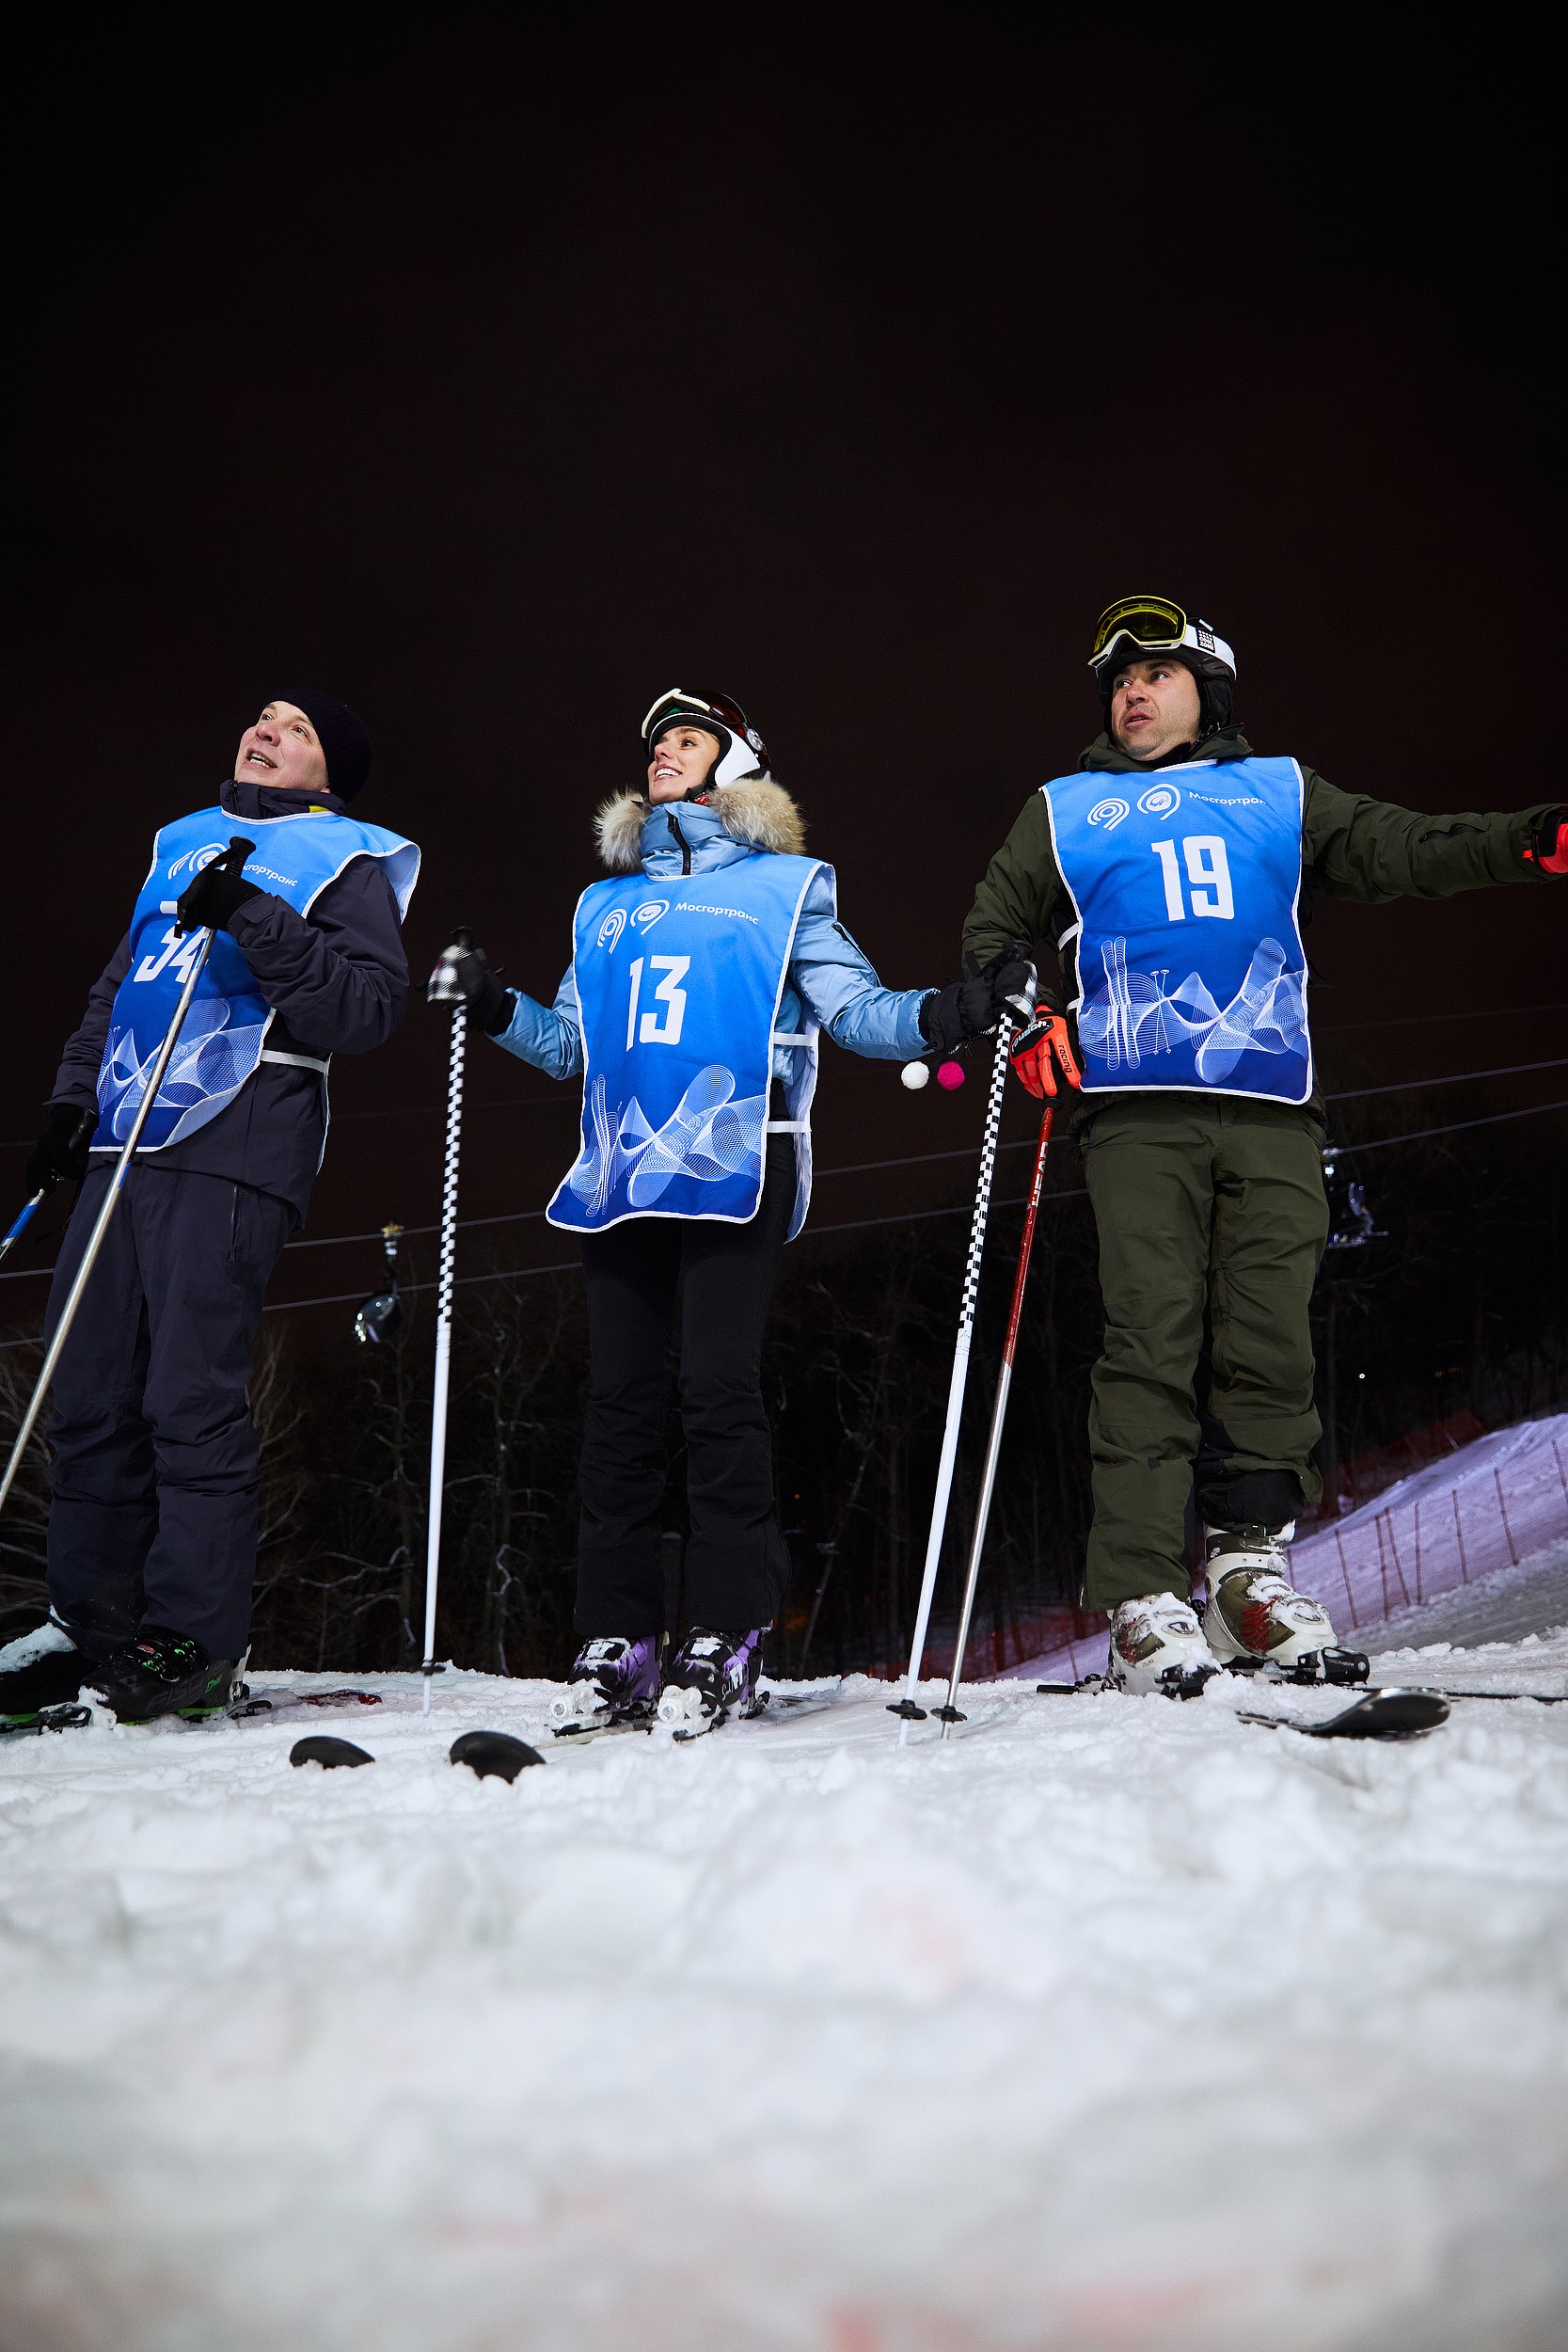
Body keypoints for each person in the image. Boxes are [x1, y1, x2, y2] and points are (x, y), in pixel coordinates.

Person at [961, 596, 1567, 1694]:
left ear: (1208, 689)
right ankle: (1141, 1597)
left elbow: (1403, 846)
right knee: (1150, 1334)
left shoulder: (1278, 791)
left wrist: (1527, 838)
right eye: (1117, 680)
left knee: (1268, 1341)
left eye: (1154, 673)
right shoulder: (1065, 808)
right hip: (1137, 1107)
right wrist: (1023, 1008)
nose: (1130, 692)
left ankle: (1246, 1571)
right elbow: (994, 928)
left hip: (1270, 1103)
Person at [451, 687, 1028, 1731]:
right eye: (655, 743)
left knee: (714, 1390)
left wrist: (953, 1012)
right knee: (619, 1405)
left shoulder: (782, 887)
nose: (661, 754)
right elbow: (571, 1046)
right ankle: (617, 1639)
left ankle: (728, 1629)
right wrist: (496, 1006)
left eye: (686, 739)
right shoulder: (605, 904)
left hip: (733, 1162)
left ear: (732, 766)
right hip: (623, 1172)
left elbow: (857, 1012)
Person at [0, 694, 420, 1726]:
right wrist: (69, 1101)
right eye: (263, 717)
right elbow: (119, 986)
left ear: (329, 770)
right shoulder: (182, 841)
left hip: (234, 1138)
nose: (265, 730)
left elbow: (366, 1008)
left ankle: (193, 1636)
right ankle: (87, 1621)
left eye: (296, 728)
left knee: (187, 1394)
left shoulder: (348, 857)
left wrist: (254, 915)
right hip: (125, 1135)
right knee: (89, 1390)